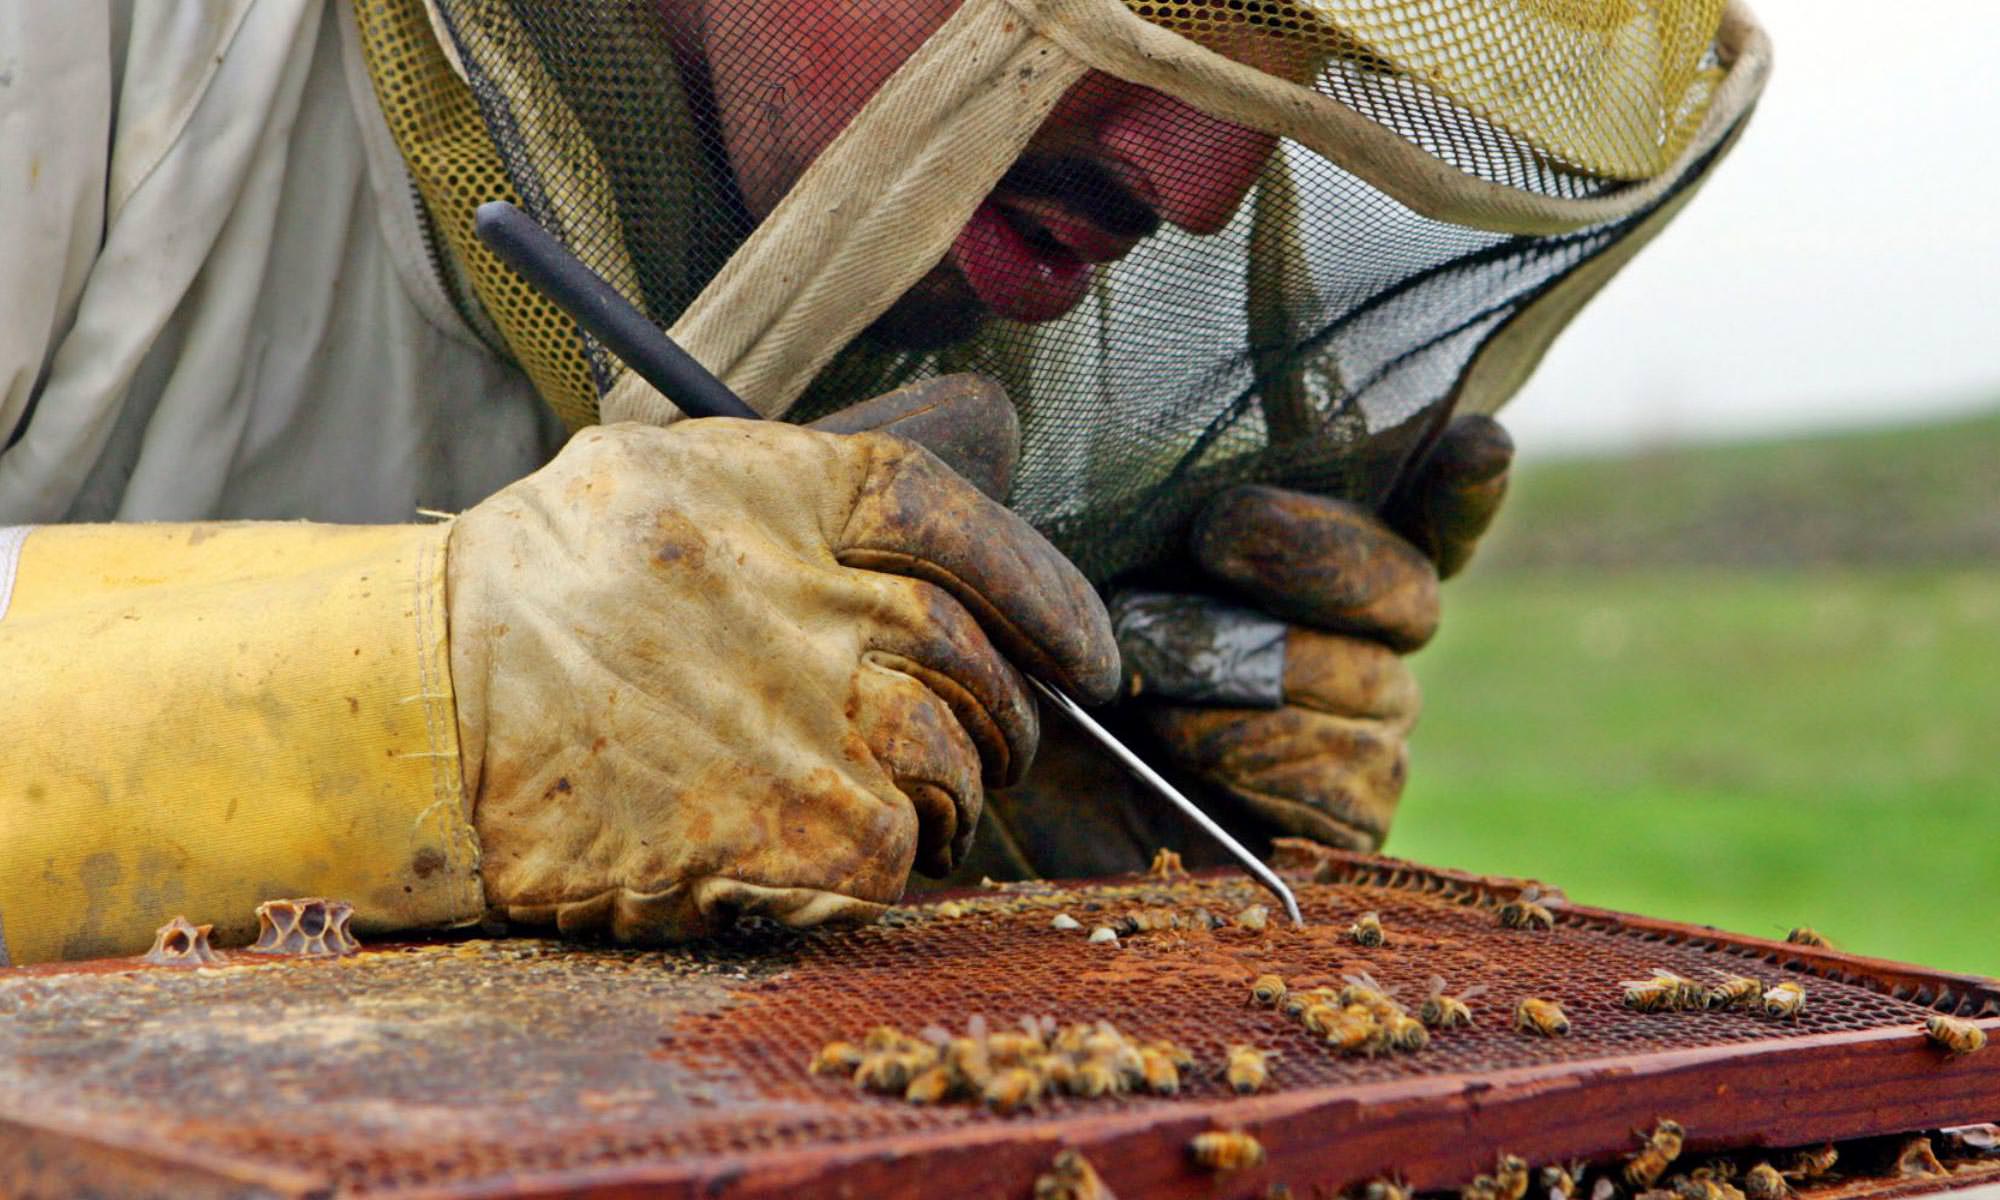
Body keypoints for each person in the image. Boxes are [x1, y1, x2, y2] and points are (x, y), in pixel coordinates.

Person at [0, 1, 1769, 964]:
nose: (1207, 176)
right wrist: (429, 702)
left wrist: (996, 843)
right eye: (1168, 5)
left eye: (1298, 59)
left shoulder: (977, 265)